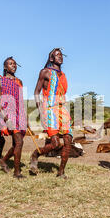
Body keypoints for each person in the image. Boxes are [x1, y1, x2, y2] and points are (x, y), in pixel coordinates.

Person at [30, 48, 73, 178]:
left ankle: (61, 172)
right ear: (51, 58)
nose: (60, 57)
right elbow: (36, 92)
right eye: (57, 55)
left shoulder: (63, 75)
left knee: (68, 141)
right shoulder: (45, 72)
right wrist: (41, 113)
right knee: (55, 144)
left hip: (62, 109)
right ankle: (35, 155)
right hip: (49, 109)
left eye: (61, 55)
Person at [0, 57, 28, 178]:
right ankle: (17, 172)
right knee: (19, 142)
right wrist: (5, 118)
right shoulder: (1, 81)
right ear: (5, 67)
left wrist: (26, 116)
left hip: (20, 113)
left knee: (16, 144)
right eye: (10, 64)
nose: (13, 65)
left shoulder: (19, 81)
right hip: (8, 113)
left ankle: (3, 160)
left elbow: (21, 100)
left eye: (14, 64)